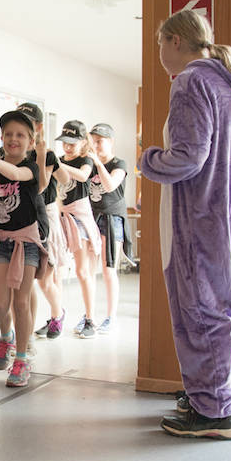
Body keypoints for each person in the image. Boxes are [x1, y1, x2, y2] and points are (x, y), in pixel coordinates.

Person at [140, 8, 231, 440]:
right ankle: (209, 394)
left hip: (199, 216)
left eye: (160, 44)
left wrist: (148, 159)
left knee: (200, 311)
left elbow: (187, 158)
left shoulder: (191, 81)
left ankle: (215, 410)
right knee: (215, 307)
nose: (160, 54)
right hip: (228, 212)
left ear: (175, 40)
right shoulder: (228, 80)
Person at [0, 110, 53, 387]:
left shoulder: (31, 168)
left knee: (21, 302)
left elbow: (14, 173)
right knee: (1, 304)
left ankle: (21, 359)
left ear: (30, 142)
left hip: (27, 242)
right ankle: (6, 337)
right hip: (1, 241)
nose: (14, 139)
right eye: (8, 134)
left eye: (20, 135)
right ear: (1, 138)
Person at [55, 121, 102, 338]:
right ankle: (56, 316)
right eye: (64, 143)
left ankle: (90, 319)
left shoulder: (86, 160)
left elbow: (83, 176)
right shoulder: (60, 160)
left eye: (72, 143)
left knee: (83, 271)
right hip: (61, 215)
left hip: (80, 217)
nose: (67, 147)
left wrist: (57, 165)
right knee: (56, 271)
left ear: (83, 142)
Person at [85, 123, 131, 335]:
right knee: (87, 270)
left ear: (110, 141)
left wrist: (97, 162)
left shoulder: (119, 163)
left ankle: (111, 317)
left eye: (99, 141)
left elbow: (111, 185)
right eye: (92, 141)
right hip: (91, 218)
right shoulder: (89, 164)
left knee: (108, 269)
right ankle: (89, 317)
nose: (95, 145)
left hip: (112, 219)